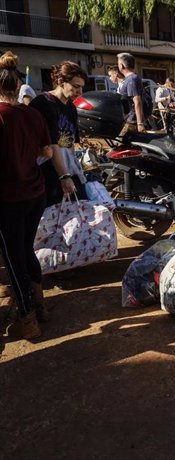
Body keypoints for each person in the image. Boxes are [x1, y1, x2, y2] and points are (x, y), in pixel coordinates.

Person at [0, 51, 54, 339]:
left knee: (14, 258)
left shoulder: (1, 115)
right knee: (25, 249)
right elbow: (47, 151)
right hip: (36, 193)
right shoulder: (33, 113)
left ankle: (28, 318)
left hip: (9, 199)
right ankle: (40, 306)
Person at [30, 60, 88, 207]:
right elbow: (52, 145)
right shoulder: (44, 103)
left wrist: (73, 171)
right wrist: (64, 176)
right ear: (61, 81)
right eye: (76, 87)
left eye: (81, 88)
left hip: (64, 168)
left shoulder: (71, 108)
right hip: (44, 172)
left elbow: (69, 145)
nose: (80, 92)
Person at [116, 53, 146, 133]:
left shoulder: (132, 79)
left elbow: (137, 102)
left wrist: (139, 123)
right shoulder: (130, 78)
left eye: (118, 64)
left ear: (122, 66)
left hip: (132, 120)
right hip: (130, 119)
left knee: (120, 142)